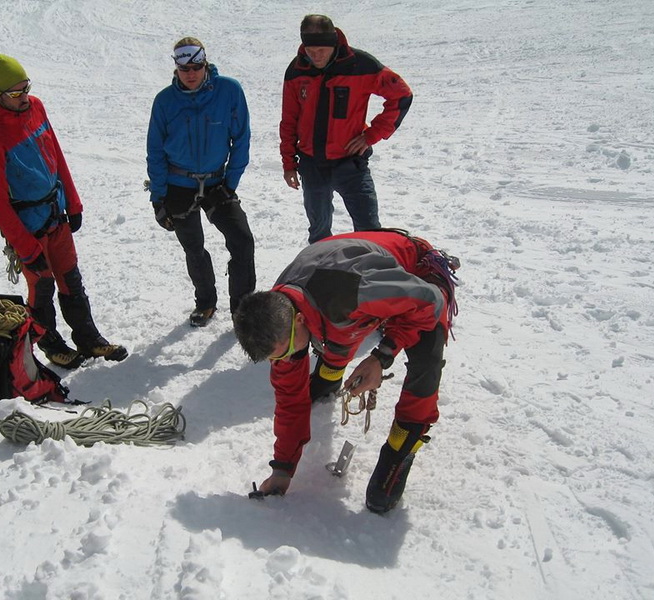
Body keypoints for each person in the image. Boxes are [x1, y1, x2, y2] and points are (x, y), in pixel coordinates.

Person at [233, 229, 459, 513]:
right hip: (346, 279)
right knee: (336, 326)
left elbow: (430, 300)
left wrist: (382, 356)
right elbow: (289, 400)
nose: (286, 360)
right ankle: (329, 376)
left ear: (298, 320)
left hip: (419, 279)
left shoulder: (354, 293)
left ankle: (401, 448)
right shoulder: (279, 313)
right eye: (277, 357)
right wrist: (283, 468)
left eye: (286, 350)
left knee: (425, 366)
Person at [0, 54, 127, 368]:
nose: (24, 97)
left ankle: (89, 340)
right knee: (41, 288)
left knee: (71, 279)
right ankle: (52, 345)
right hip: (28, 227)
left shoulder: (36, 108)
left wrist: (74, 202)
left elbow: (55, 153)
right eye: (15, 93)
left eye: (26, 88)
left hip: (56, 215)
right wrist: (26, 248)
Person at [147, 37, 255, 327]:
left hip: (218, 182)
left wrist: (230, 183)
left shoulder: (229, 91)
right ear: (176, 68)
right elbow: (155, 151)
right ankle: (205, 302)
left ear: (205, 64)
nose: (191, 73)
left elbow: (241, 139)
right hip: (178, 184)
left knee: (242, 241)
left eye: (196, 67)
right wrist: (158, 197)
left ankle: (244, 310)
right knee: (193, 247)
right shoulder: (165, 101)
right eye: (184, 69)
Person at [280, 15, 413, 244]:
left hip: (351, 163)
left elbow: (401, 95)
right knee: (319, 234)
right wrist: (288, 164)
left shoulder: (361, 65)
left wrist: (371, 135)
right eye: (310, 50)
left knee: (370, 232)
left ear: (333, 43)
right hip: (312, 165)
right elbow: (289, 120)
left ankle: (370, 267)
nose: (316, 56)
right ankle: (323, 267)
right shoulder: (297, 70)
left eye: (322, 50)